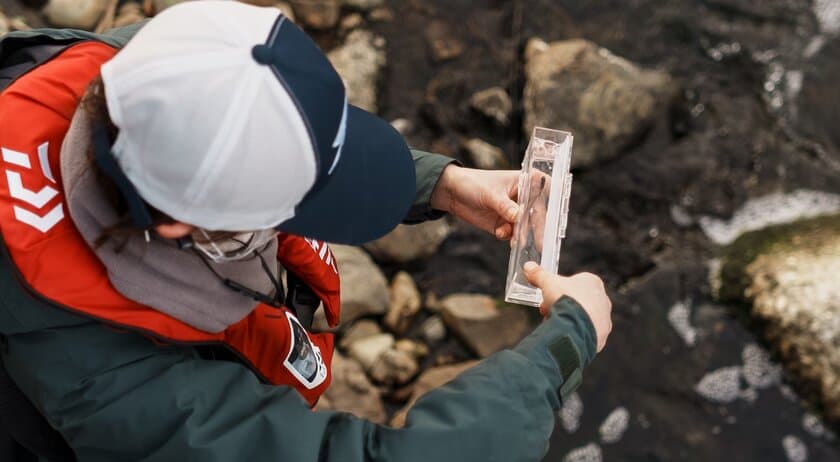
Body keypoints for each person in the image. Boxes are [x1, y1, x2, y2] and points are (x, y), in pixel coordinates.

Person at [0, 2, 612, 461]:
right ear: (181, 224)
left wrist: (439, 185)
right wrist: (560, 351)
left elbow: (266, 120)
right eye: (287, 203)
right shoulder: (106, 377)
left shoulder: (156, 71)